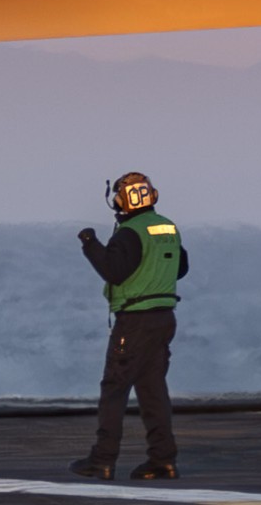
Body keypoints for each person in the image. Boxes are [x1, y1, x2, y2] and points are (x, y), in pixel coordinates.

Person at [70, 172, 188, 482]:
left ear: (120, 201)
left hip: (134, 321)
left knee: (114, 389)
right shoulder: (168, 227)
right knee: (153, 391)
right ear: (153, 195)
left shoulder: (128, 232)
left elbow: (114, 272)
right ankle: (163, 460)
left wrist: (90, 244)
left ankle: (102, 460)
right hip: (164, 318)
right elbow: (182, 267)